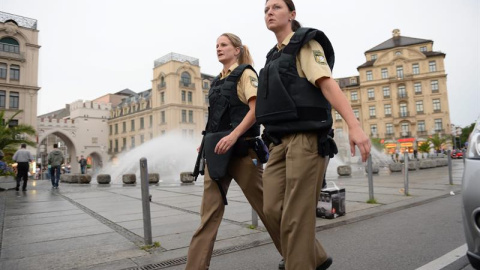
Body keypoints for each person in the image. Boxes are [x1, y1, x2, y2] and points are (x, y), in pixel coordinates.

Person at [257, 1, 371, 269]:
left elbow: (327, 84)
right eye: (266, 9)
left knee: (296, 216)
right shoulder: (272, 56)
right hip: (278, 142)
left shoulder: (305, 44)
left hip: (306, 140)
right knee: (272, 209)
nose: (269, 12)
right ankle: (316, 257)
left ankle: (300, 264)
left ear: (292, 14)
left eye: (276, 7)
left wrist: (354, 125)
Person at [184, 33, 281, 270]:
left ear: (236, 50)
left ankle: (305, 256)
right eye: (216, 45)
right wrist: (208, 140)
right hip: (216, 154)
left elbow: (256, 110)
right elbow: (217, 118)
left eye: (224, 45)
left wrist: (233, 135)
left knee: (267, 209)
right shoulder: (217, 80)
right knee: (208, 216)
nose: (218, 48)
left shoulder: (246, 73)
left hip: (243, 152)